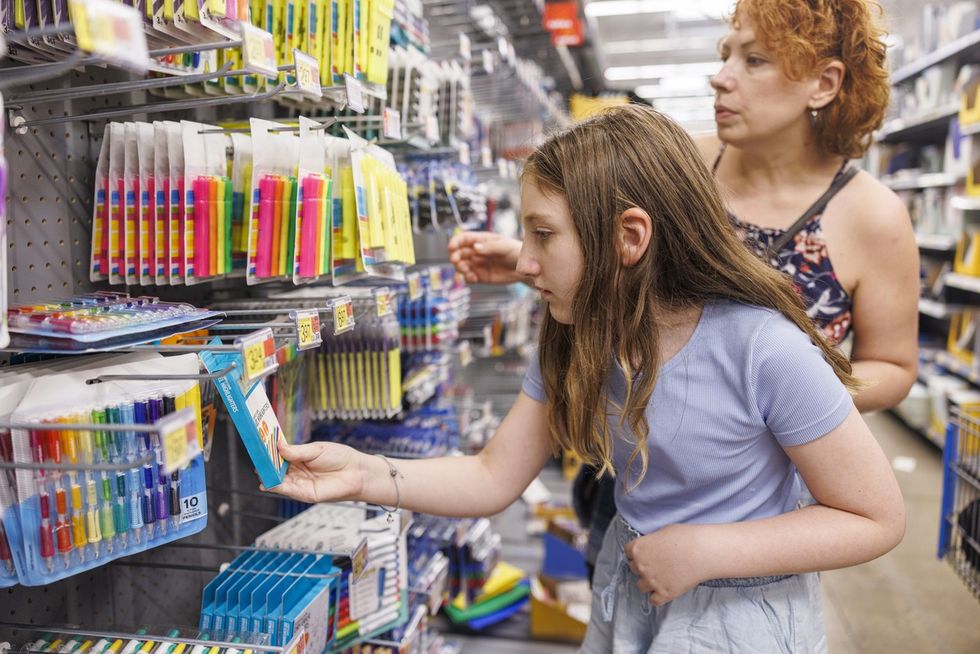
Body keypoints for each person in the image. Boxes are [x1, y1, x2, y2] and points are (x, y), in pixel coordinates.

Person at [266, 105, 905, 651]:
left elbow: (874, 516)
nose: (523, 259)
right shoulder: (577, 336)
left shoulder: (765, 350)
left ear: (630, 237)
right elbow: (493, 475)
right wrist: (367, 474)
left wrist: (704, 552)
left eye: (543, 233)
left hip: (743, 609)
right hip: (634, 586)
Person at [448, 0, 919, 579]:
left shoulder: (872, 217)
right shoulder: (684, 163)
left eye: (755, 61)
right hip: (635, 465)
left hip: (756, 503)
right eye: (726, 54)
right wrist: (536, 258)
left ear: (823, 83)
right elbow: (602, 251)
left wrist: (777, 397)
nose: (721, 76)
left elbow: (893, 366)